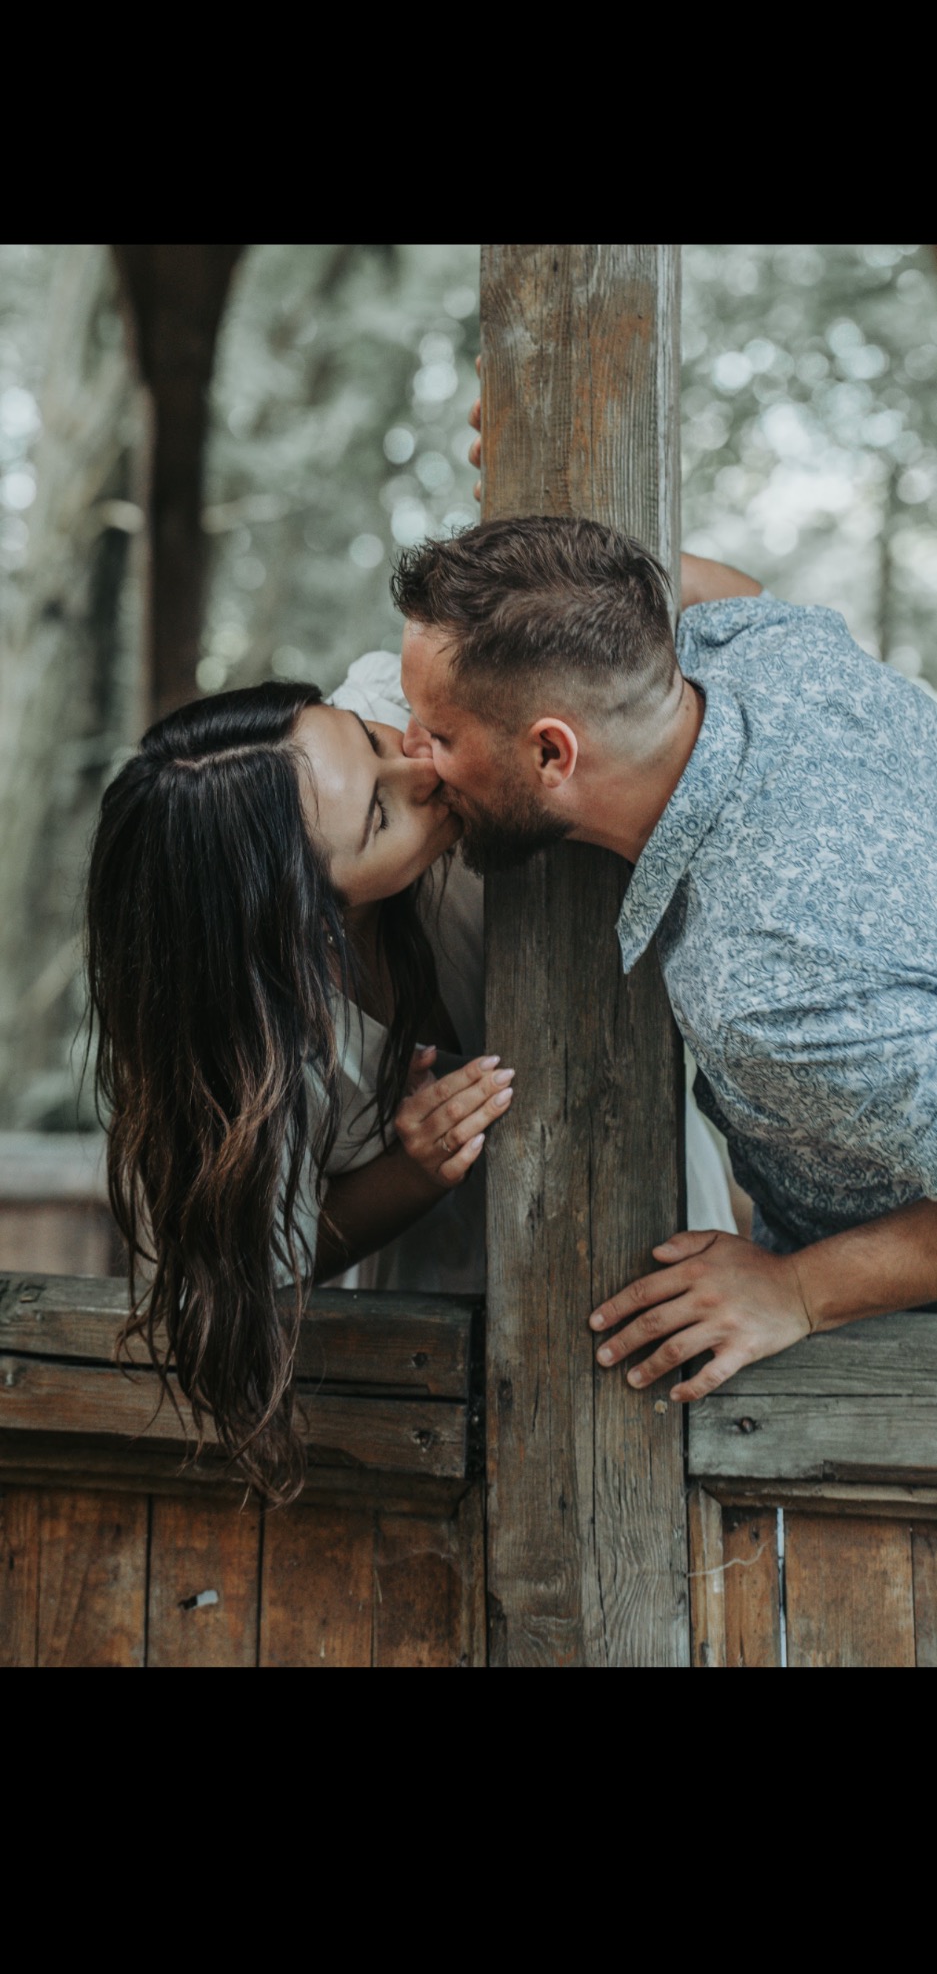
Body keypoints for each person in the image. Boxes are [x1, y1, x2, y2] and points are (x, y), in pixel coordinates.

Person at [87, 656, 734, 1498]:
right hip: (449, 1361)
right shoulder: (255, 1047)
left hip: (671, 1247)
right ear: (301, 928)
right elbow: (265, 1264)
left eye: (366, 738)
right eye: (379, 815)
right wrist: (413, 1172)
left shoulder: (422, 709)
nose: (421, 766)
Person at [393, 512, 937, 1405]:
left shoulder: (766, 990)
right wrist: (533, 566)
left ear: (548, 752)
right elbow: (719, 589)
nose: (415, 753)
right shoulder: (756, 649)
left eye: (439, 734)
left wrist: (798, 1293)